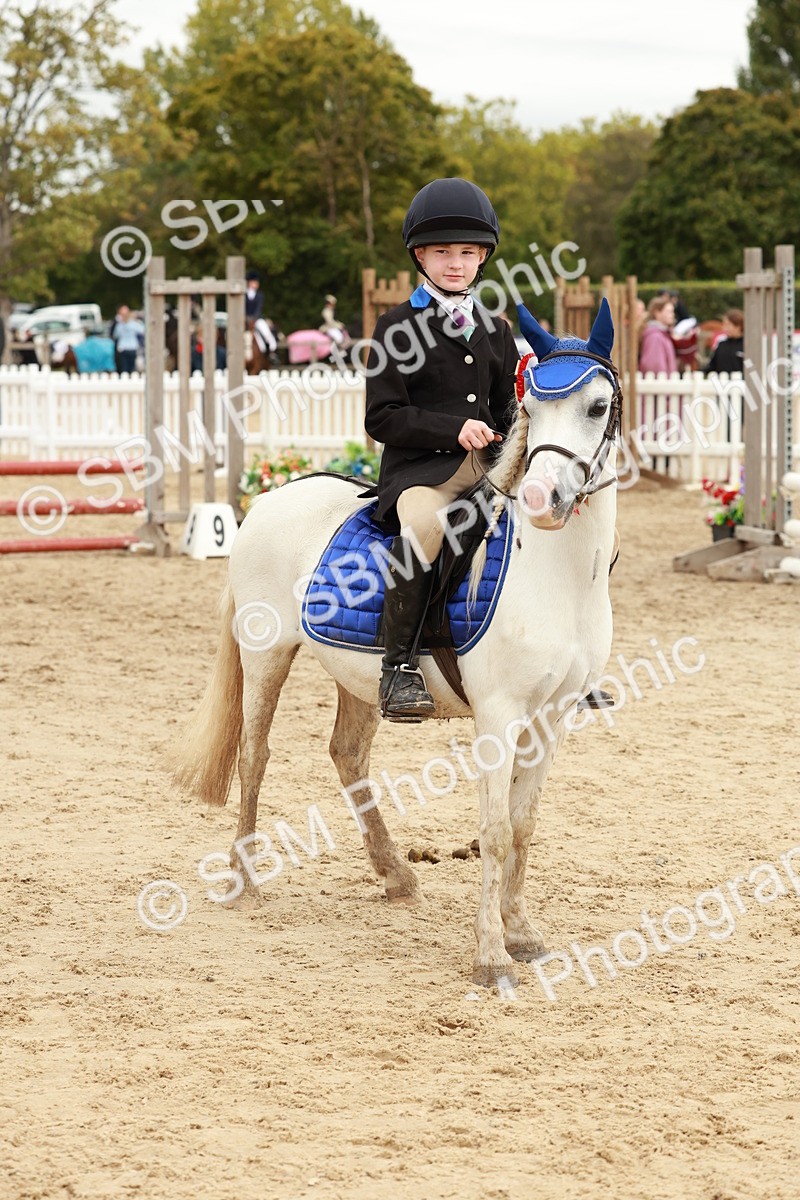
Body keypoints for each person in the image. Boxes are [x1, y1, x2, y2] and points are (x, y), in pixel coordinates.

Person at [364, 177, 518, 721]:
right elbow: (382, 417)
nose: (456, 264)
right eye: (443, 253)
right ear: (420, 256)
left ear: (483, 258)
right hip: (420, 475)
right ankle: (398, 667)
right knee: (428, 528)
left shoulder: (496, 330)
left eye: (468, 253)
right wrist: (453, 430)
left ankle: (559, 661)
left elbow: (503, 409)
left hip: (485, 472)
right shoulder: (396, 326)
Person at [639, 296, 678, 375]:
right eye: (668, 312)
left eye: (672, 311)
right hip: (660, 385)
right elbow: (654, 366)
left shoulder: (662, 334)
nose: (672, 315)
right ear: (657, 313)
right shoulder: (655, 336)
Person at [245, 270, 277, 356]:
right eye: (254, 282)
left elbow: (258, 308)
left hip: (256, 319)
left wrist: (254, 318)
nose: (256, 283)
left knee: (265, 331)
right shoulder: (244, 294)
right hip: (245, 319)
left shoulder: (260, 295)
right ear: (249, 282)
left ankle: (271, 350)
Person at [704, 309, 744, 375]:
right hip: (722, 383)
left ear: (738, 326)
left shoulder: (747, 345)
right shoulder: (721, 345)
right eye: (724, 325)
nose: (724, 328)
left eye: (728, 325)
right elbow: (711, 367)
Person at [111, 305, 144, 374]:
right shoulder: (119, 325)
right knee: (124, 369)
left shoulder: (133, 324)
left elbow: (142, 330)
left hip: (132, 348)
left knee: (131, 369)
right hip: (123, 349)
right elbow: (115, 335)